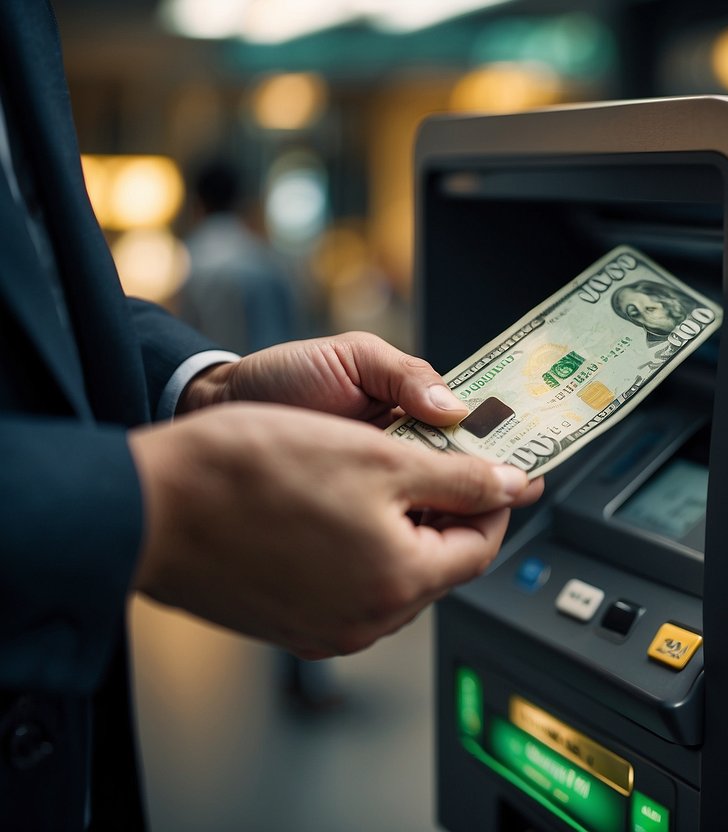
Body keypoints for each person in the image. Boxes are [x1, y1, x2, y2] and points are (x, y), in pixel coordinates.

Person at [0, 2, 542, 829]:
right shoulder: (252, 262)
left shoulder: (201, 257)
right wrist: (154, 502)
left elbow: (37, 307)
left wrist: (208, 389)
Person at [177, 157, 303, 354]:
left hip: (211, 370)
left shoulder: (190, 259)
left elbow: (184, 332)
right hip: (276, 372)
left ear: (197, 201)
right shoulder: (266, 258)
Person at [609, 279, 696, 342]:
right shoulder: (656, 347)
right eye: (635, 313)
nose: (646, 313)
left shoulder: (693, 306)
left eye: (650, 307)